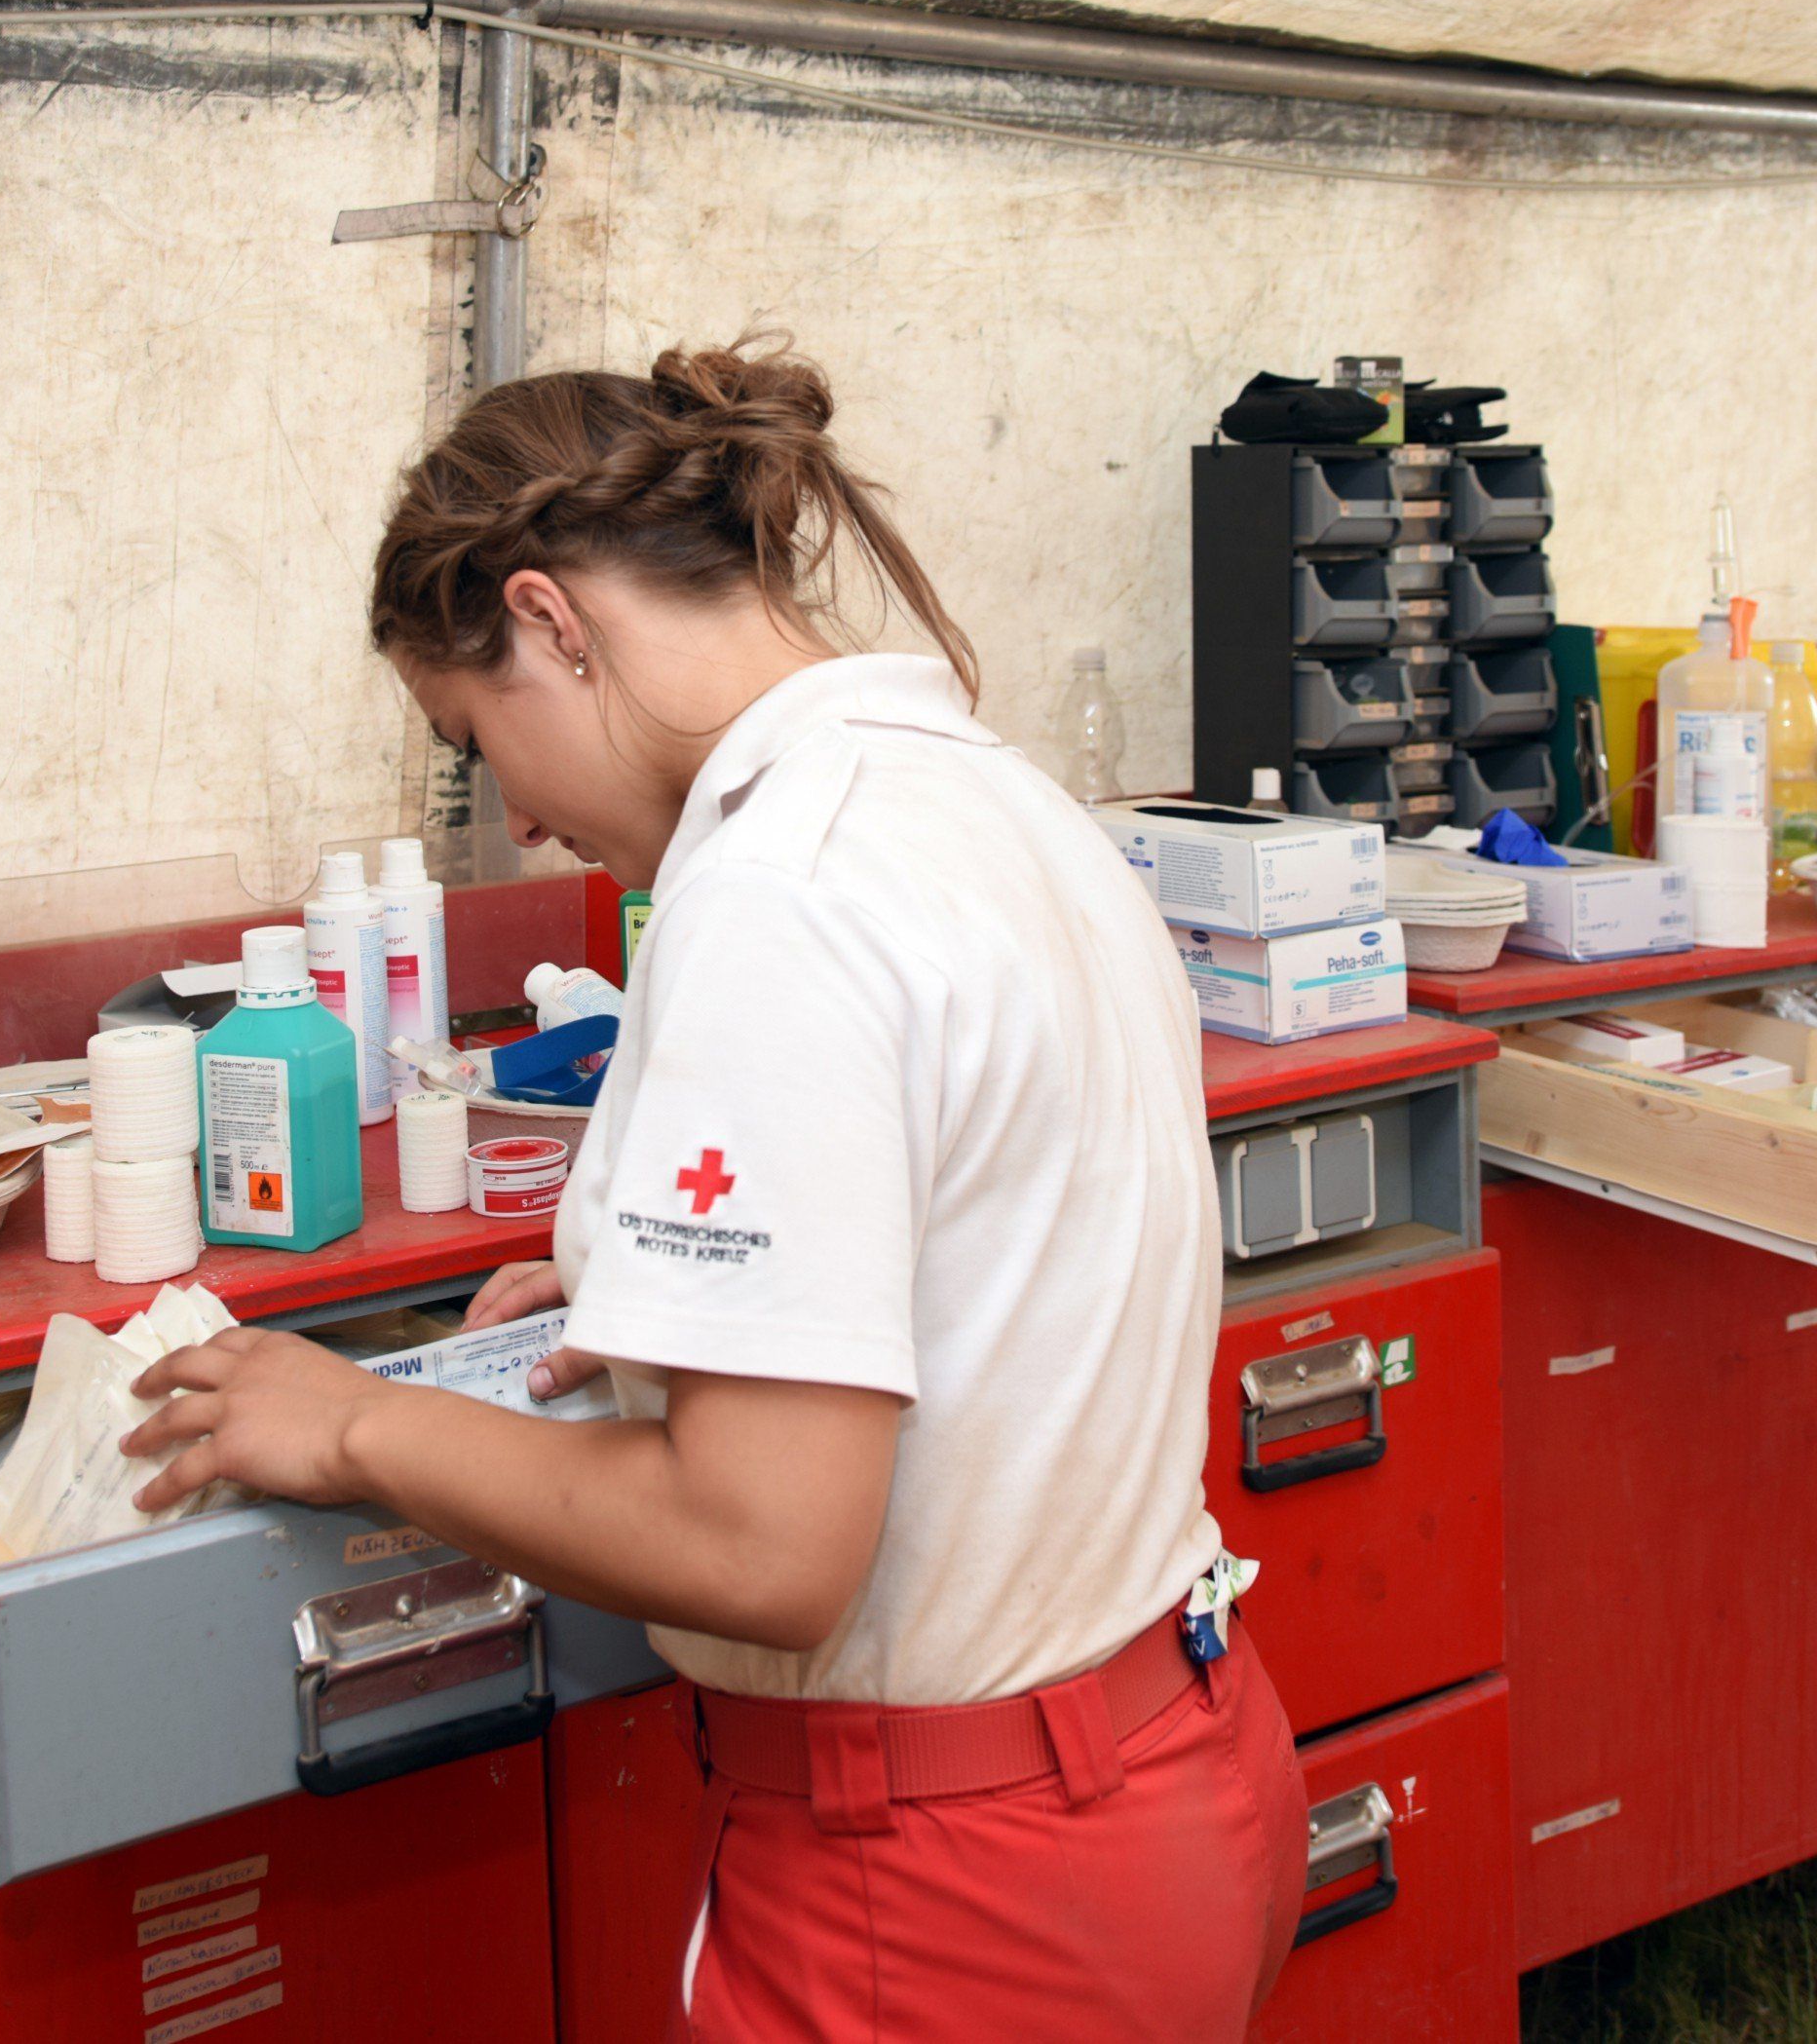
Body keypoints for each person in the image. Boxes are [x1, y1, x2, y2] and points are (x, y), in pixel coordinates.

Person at [124, 342, 1306, 2039]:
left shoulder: (777, 892)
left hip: (953, 1893)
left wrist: (352, 1425)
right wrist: (685, 1317)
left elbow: (764, 1550)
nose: (519, 820)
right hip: (1176, 1762)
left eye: (476, 740)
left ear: (550, 622)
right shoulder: (995, 797)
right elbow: (981, 1247)